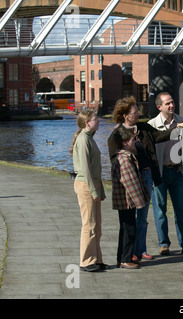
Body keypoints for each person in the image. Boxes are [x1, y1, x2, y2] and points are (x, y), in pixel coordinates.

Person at [107, 96, 183, 261]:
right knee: (130, 218)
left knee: (143, 217)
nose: (138, 113)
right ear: (125, 115)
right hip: (132, 177)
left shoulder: (143, 128)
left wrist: (177, 126)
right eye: (135, 112)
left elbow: (160, 136)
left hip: (147, 175)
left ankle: (140, 250)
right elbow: (114, 159)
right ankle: (129, 253)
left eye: (138, 111)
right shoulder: (117, 134)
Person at [148, 92, 183, 256]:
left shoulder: (182, 121)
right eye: (167, 104)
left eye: (172, 102)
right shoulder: (152, 124)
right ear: (159, 107)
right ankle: (164, 244)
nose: (171, 106)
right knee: (160, 210)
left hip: (177, 171)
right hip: (160, 172)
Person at [70, 110, 107, 272]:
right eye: (95, 119)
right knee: (89, 224)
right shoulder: (83, 139)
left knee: (97, 224)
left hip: (92, 184)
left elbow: (95, 168)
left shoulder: (89, 138)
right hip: (86, 185)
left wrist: (100, 191)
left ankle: (96, 259)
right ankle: (86, 261)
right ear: (87, 123)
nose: (98, 121)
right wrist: (94, 191)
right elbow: (85, 169)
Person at [111, 126, 149, 269]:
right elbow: (130, 182)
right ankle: (125, 259)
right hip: (127, 201)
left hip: (123, 200)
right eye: (134, 139)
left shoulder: (121, 156)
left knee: (125, 229)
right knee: (129, 230)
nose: (136, 142)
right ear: (125, 142)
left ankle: (121, 257)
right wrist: (140, 202)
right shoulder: (125, 159)